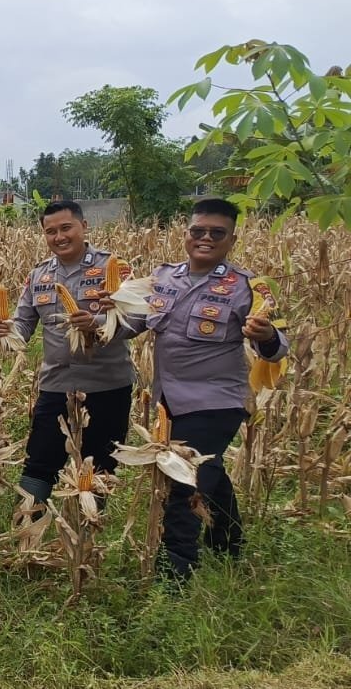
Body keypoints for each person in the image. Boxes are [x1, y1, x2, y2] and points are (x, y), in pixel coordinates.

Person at [136, 198, 287, 581]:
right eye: (198, 231)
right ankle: (229, 541)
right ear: (186, 234)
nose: (205, 238)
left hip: (216, 400)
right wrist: (97, 322)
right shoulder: (163, 277)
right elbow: (134, 322)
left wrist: (267, 336)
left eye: (216, 233)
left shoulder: (246, 288)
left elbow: (278, 345)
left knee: (182, 482)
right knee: (210, 469)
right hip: (168, 400)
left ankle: (175, 576)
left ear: (231, 239)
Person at [0, 201, 139, 508]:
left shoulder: (114, 267)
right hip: (56, 385)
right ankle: (27, 532)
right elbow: (23, 323)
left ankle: (88, 533)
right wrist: (8, 331)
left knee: (99, 466)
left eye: (65, 228)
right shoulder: (39, 276)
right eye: (50, 231)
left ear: (84, 227)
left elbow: (138, 321)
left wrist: (97, 323)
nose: (59, 237)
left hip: (107, 386)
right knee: (40, 460)